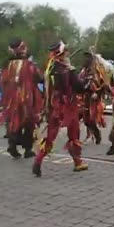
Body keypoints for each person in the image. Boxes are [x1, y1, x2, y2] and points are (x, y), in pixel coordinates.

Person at [33, 41, 88, 177]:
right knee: (73, 135)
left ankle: (38, 160)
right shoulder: (69, 70)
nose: (68, 53)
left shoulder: (49, 69)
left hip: (54, 107)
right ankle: (77, 162)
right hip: (69, 107)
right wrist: (87, 83)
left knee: (50, 136)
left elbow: (43, 84)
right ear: (63, 53)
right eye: (67, 51)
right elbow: (79, 87)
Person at [0, 38, 43, 159]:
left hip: (11, 99)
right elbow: (39, 78)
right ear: (22, 49)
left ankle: (12, 145)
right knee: (29, 122)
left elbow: (2, 81)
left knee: (13, 121)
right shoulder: (29, 65)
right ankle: (28, 149)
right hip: (27, 99)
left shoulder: (7, 65)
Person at [78, 47, 107, 145]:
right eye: (84, 57)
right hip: (85, 97)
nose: (85, 60)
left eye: (88, 57)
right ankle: (90, 135)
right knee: (86, 120)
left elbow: (104, 84)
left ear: (91, 59)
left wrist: (97, 93)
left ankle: (97, 135)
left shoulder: (97, 71)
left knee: (91, 119)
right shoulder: (83, 71)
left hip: (94, 98)